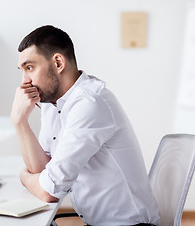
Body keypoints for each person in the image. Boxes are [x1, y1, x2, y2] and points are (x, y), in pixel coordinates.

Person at [11, 25, 160, 226]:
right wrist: (20, 122)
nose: (24, 82)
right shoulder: (53, 104)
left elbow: (49, 191)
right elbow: (43, 169)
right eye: (22, 71)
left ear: (58, 62)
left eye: (30, 68)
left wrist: (23, 176)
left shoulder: (90, 104)